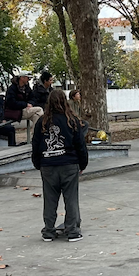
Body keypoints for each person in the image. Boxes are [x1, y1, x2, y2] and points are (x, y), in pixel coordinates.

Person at [32, 89, 89, 242]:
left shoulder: (42, 121)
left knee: (50, 200)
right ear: (65, 101)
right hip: (69, 164)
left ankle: (49, 231)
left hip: (48, 165)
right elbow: (80, 145)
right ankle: (72, 231)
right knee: (71, 198)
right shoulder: (71, 120)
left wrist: (38, 164)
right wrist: (82, 163)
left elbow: (36, 145)